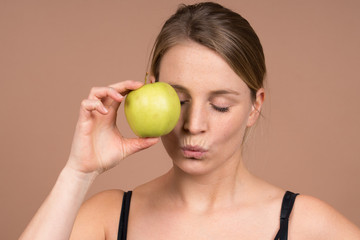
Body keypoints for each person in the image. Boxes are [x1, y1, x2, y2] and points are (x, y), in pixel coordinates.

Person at [20, 2, 360, 240]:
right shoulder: (109, 216)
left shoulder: (307, 225)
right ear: (151, 90)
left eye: (221, 105)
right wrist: (78, 172)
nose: (193, 124)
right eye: (179, 100)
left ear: (255, 107)